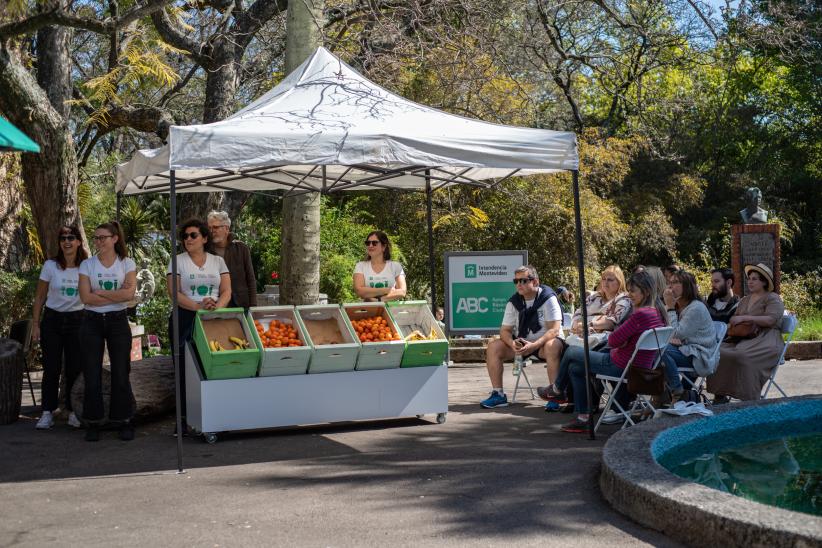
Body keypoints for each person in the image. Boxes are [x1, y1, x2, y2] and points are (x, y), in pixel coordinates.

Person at [545, 271, 667, 433]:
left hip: (620, 366)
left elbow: (613, 340)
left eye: (632, 291)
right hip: (639, 366)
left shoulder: (641, 315)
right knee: (576, 368)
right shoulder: (656, 312)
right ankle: (582, 417)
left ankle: (558, 389)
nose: (629, 295)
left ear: (645, 292)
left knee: (572, 351)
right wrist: (624, 339)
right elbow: (620, 339)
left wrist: (622, 339)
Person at [167, 219, 232, 431]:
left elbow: (226, 291)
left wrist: (217, 307)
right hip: (185, 317)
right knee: (185, 369)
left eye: (193, 235)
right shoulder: (177, 261)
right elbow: (173, 293)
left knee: (213, 366)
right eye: (185, 236)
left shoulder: (218, 261)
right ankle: (185, 419)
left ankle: (216, 415)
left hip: (212, 319)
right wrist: (197, 306)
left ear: (204, 238)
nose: (188, 239)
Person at [78, 221, 137, 442]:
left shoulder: (127, 263)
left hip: (118, 321)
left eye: (103, 237)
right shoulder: (87, 265)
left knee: (121, 371)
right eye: (96, 238)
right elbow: (85, 298)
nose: (99, 241)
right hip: (91, 321)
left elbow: (129, 295)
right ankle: (93, 422)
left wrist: (100, 293)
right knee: (91, 373)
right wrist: (114, 294)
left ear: (115, 239)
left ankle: (123, 420)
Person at [480, 265, 563, 409]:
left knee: (552, 345)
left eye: (523, 280)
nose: (519, 284)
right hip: (522, 345)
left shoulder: (548, 298)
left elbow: (554, 330)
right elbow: (504, 330)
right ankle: (498, 394)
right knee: (493, 346)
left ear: (535, 282)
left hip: (544, 344)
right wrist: (512, 344)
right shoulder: (514, 302)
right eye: (516, 281)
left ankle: (554, 395)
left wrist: (534, 345)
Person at [31, 226, 89, 430]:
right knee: (51, 368)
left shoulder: (86, 266)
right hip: (53, 321)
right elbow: (39, 297)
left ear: (79, 242)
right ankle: (47, 412)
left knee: (75, 367)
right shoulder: (50, 265)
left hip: (77, 320)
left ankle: (73, 412)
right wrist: (36, 324)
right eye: (63, 238)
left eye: (71, 238)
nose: (67, 241)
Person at [708, 263, 784, 403]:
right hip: (743, 337)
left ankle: (749, 398)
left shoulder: (772, 298)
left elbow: (771, 319)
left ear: (764, 282)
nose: (750, 281)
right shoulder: (745, 300)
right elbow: (734, 318)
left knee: (742, 355)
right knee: (718, 352)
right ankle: (720, 395)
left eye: (755, 279)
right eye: (749, 278)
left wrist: (745, 318)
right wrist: (735, 320)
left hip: (766, 338)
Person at [661, 270, 718, 400]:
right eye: (669, 283)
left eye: (675, 283)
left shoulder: (696, 308)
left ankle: (677, 390)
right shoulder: (679, 306)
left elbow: (675, 333)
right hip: (686, 349)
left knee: (660, 350)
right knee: (654, 350)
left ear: (687, 286)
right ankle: (661, 396)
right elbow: (663, 328)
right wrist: (668, 307)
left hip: (699, 356)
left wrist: (669, 308)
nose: (670, 287)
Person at [207, 211, 257, 308]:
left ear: (226, 228)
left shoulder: (241, 248)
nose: (212, 231)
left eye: (216, 227)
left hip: (241, 304)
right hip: (215, 305)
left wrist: (253, 306)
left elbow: (251, 279)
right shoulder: (205, 251)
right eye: (209, 228)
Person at [353, 231, 407, 302]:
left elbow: (402, 292)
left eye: (374, 243)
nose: (370, 245)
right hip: (369, 311)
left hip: (392, 311)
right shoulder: (360, 266)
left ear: (383, 247)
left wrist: (379, 300)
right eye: (368, 243)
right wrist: (387, 290)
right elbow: (359, 291)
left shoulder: (395, 266)